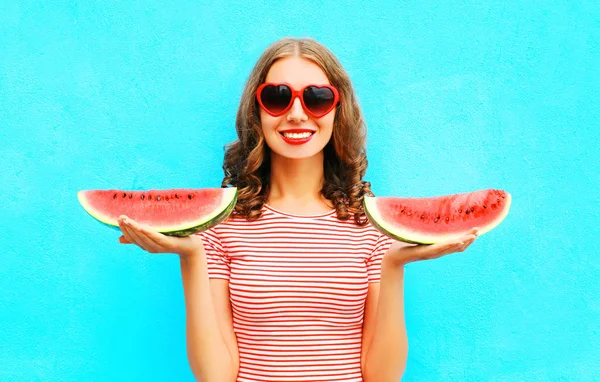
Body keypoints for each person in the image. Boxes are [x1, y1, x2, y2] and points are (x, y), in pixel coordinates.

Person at [116, 37, 479, 382]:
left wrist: (394, 264)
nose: (295, 113)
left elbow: (382, 376)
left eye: (317, 98)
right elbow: (216, 376)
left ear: (338, 110)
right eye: (277, 97)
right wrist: (191, 256)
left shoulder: (371, 226)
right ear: (257, 111)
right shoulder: (221, 227)